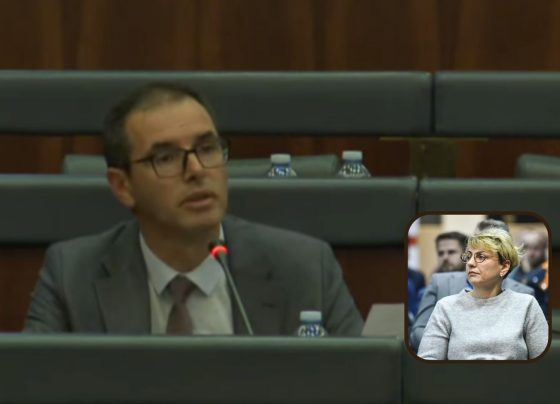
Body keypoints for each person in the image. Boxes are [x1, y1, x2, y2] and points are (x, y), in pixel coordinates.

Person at [24, 83, 363, 336]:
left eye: (207, 148)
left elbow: (361, 385)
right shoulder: (72, 277)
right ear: (123, 186)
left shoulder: (305, 270)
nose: (197, 170)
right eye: (166, 158)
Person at [417, 228, 548, 360]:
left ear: (504, 267)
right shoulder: (446, 306)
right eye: (468, 256)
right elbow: (428, 360)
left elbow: (544, 362)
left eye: (481, 257)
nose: (470, 263)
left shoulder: (526, 304)